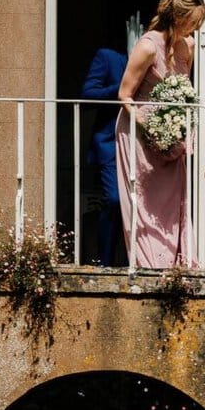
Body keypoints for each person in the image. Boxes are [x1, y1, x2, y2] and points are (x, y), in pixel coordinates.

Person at [115, 0, 205, 269]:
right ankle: (148, 265)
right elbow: (124, 95)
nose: (194, 28)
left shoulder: (188, 46)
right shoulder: (147, 46)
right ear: (177, 17)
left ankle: (174, 266)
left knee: (172, 203)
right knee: (143, 203)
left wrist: (179, 128)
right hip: (140, 133)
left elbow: (180, 90)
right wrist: (150, 126)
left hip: (172, 136)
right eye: (191, 21)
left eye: (198, 23)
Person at [80, 45, 127, 265]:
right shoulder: (109, 57)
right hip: (111, 143)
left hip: (145, 145)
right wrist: (122, 89)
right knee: (114, 200)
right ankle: (106, 262)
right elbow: (87, 95)